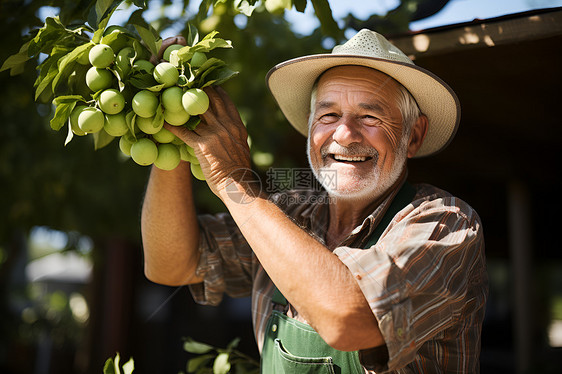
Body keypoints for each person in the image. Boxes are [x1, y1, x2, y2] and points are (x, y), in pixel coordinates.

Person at [141, 29, 488, 373]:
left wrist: (235, 184)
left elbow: (350, 320)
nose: (344, 134)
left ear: (413, 136)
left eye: (370, 117)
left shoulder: (445, 222)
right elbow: (171, 265)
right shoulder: (288, 210)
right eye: (328, 116)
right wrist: (171, 135)